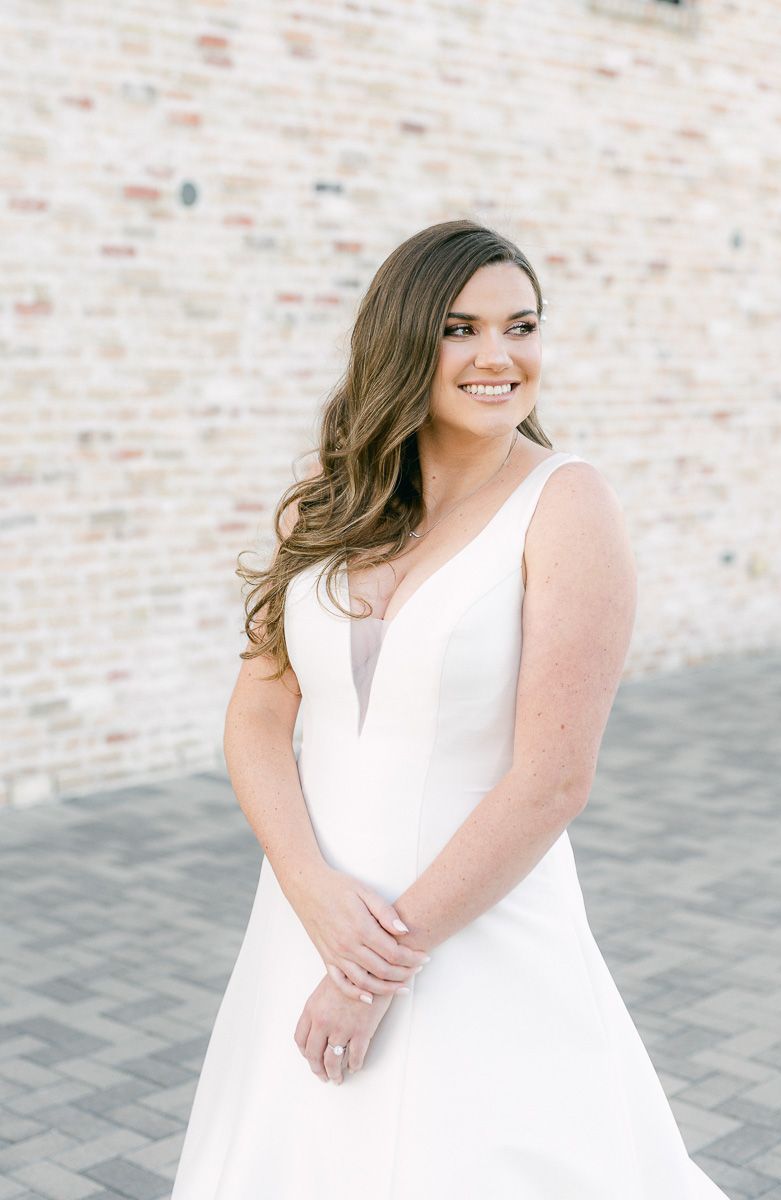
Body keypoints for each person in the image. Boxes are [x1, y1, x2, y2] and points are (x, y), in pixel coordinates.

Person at [170, 219, 730, 1198]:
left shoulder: (568, 505)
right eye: (461, 328)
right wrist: (311, 893)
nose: (498, 356)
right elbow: (256, 718)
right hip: (310, 916)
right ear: (402, 343)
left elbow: (552, 779)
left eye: (522, 325)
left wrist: (369, 972)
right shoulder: (330, 498)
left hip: (476, 932)